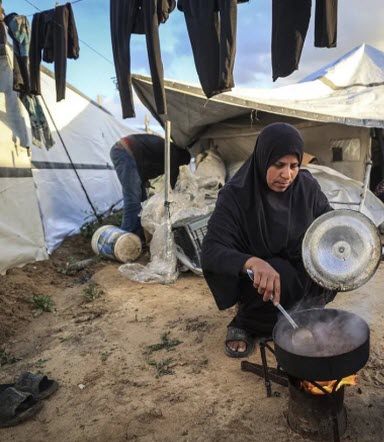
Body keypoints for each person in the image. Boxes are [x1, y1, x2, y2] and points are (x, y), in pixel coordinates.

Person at [201, 123, 336, 358]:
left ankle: (302, 315)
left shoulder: (307, 187)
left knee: (325, 269)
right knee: (279, 272)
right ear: (263, 159)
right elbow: (212, 250)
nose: (287, 175)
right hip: (260, 283)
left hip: (300, 271)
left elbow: (329, 225)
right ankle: (246, 323)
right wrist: (251, 263)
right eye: (279, 165)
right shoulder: (236, 196)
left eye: (294, 166)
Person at [110, 134, 191, 237]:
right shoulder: (173, 153)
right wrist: (178, 197)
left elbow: (148, 159)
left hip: (130, 155)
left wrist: (143, 179)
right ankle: (125, 238)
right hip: (125, 152)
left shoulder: (167, 150)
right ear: (182, 158)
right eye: (183, 164)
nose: (181, 167)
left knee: (142, 202)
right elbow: (173, 179)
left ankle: (139, 236)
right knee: (133, 199)